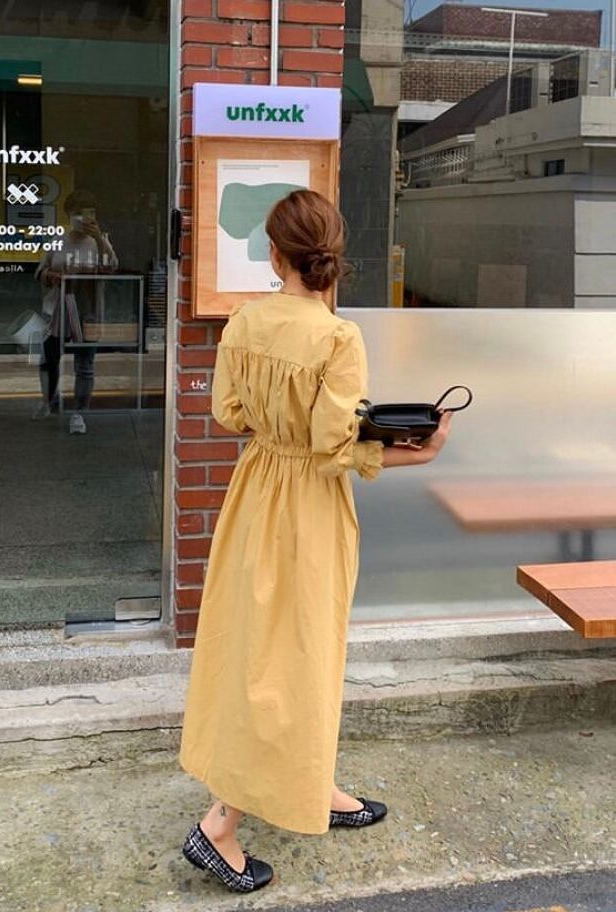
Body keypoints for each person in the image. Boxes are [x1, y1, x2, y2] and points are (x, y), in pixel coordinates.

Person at [178, 190, 455, 893]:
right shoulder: (338, 339)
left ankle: (311, 782)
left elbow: (227, 413)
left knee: (260, 650)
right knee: (296, 656)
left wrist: (280, 424)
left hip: (255, 494)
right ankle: (219, 824)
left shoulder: (244, 321)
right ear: (332, 256)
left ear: (276, 256)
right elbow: (335, 449)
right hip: (308, 508)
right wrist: (415, 451)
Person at [33, 189, 118, 432]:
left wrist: (99, 238)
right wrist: (52, 276)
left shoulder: (101, 241)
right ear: (70, 215)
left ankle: (80, 412)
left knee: (85, 364)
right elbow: (39, 272)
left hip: (87, 311)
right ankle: (49, 401)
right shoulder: (58, 240)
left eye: (90, 212)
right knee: (49, 359)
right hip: (56, 309)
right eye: (79, 213)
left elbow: (112, 268)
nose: (85, 218)